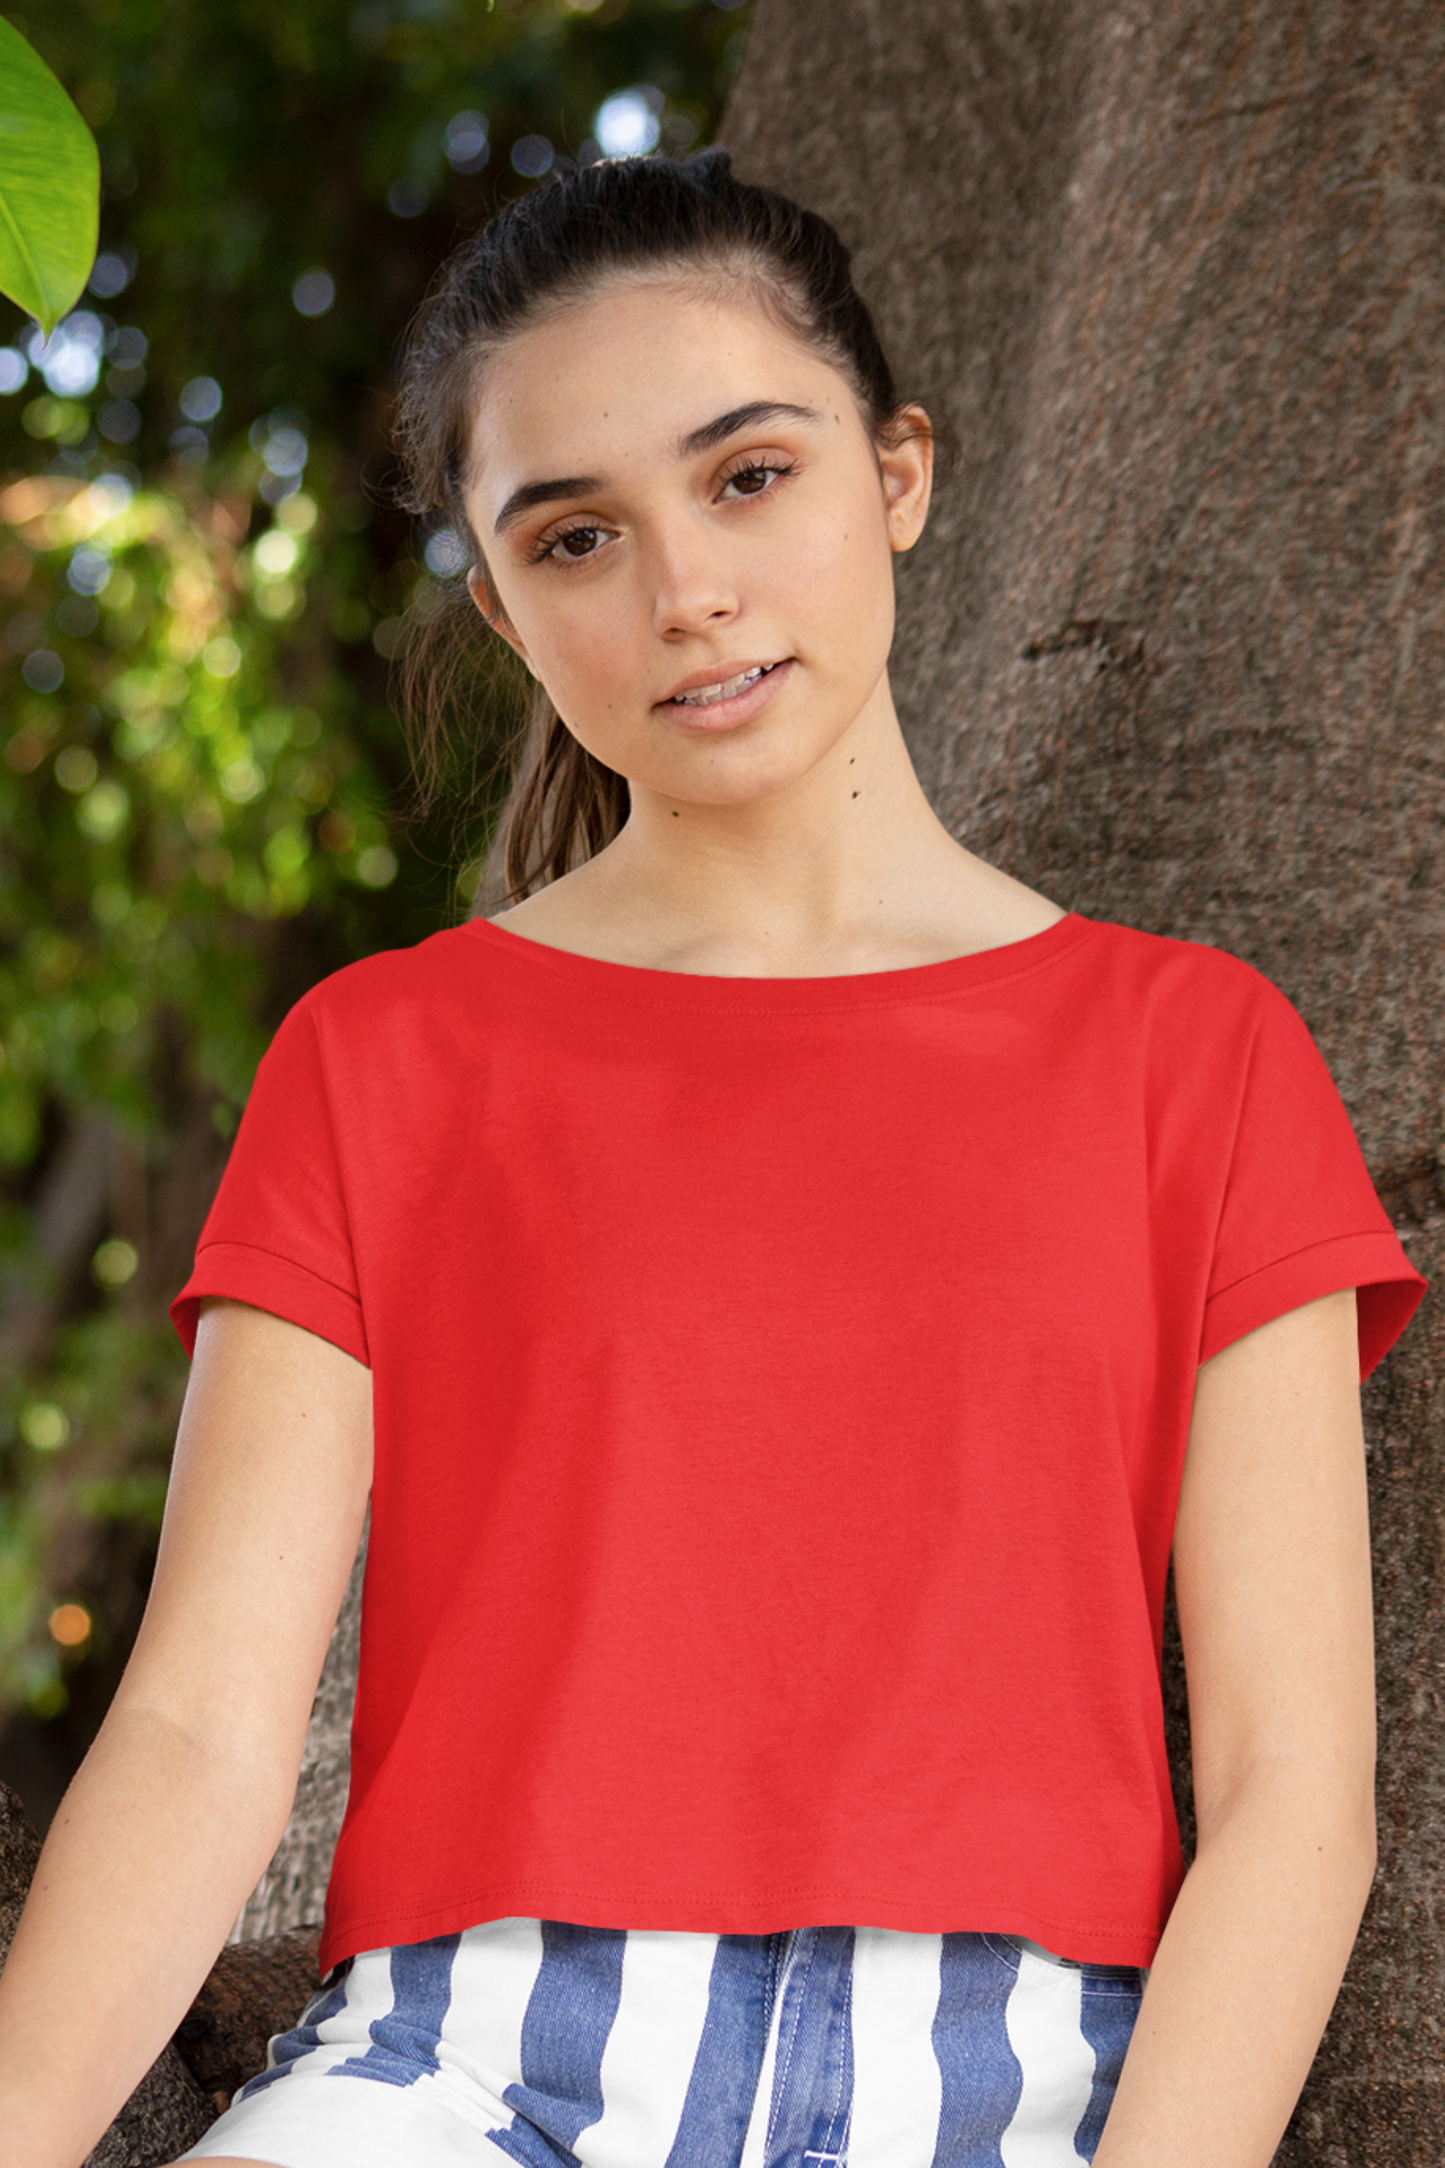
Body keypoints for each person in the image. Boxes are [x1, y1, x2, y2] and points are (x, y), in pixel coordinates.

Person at [0, 147, 1428, 2168]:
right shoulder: (381, 1060)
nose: (685, 592)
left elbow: (1294, 1791)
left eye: (748, 476)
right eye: (577, 536)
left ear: (899, 474)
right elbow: (196, 1731)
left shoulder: (1192, 1056)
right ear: (501, 608)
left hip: (1026, 2092)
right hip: (462, 2074)